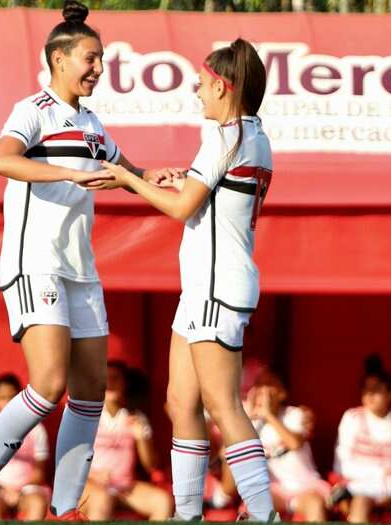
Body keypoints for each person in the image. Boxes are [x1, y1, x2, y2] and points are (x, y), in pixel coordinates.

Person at [0, 1, 177, 520]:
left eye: (100, 60)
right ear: (58, 59)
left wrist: (151, 177)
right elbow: (2, 160)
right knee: (48, 384)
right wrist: (65, 174)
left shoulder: (94, 122)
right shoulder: (32, 109)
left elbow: (122, 170)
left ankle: (64, 509)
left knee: (91, 391)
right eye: (91, 58)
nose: (99, 68)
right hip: (37, 264)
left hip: (81, 269)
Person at [98, 39, 276, 521]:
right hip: (208, 286)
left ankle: (263, 514)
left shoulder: (224, 136)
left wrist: (128, 179)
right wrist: (176, 181)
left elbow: (183, 208)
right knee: (180, 401)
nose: (197, 92)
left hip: (217, 288)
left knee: (223, 404)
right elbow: (212, 201)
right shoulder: (252, 135)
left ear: (222, 86)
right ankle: (188, 513)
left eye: (201, 85)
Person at [79, 361, 173, 520]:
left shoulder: (136, 417)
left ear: (125, 384)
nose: (110, 383)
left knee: (163, 502)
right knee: (103, 499)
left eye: (116, 378)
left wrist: (141, 439)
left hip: (125, 486)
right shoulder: (87, 417)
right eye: (106, 378)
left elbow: (151, 465)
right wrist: (93, 475)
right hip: (91, 485)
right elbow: (70, 461)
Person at [246, 370, 330, 521]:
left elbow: (294, 443)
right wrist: (250, 417)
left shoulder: (295, 414)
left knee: (315, 505)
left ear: (282, 393)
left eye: (269, 385)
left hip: (306, 487)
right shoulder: (250, 422)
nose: (263, 391)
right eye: (259, 384)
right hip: (274, 490)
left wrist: (269, 415)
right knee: (256, 503)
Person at [332, 354, 391, 523]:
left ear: (390, 393)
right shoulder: (352, 418)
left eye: (377, 389)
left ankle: (355, 489)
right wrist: (380, 474)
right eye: (366, 389)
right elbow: (341, 465)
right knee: (360, 502)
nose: (370, 395)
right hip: (361, 487)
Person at [0, 373, 50, 520]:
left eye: (12, 397)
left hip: (28, 488)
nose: (7, 403)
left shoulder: (36, 429)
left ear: (21, 398)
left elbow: (40, 472)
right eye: (2, 397)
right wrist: (3, 489)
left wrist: (18, 490)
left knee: (37, 503)